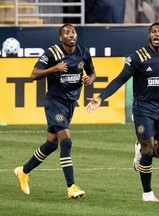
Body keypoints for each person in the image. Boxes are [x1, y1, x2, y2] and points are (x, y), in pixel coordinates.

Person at [85, 22, 159, 202]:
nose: (156, 35)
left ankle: (140, 147)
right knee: (148, 151)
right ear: (149, 36)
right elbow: (119, 79)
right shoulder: (137, 57)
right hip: (143, 110)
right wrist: (100, 98)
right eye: (153, 32)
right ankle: (147, 192)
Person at [14, 24, 96, 198]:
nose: (71, 35)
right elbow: (33, 74)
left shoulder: (83, 52)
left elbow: (92, 72)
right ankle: (71, 187)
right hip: (54, 102)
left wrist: (90, 78)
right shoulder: (52, 53)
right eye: (66, 33)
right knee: (66, 141)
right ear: (61, 38)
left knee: (51, 144)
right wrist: (54, 69)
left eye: (73, 32)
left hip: (70, 103)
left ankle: (23, 170)